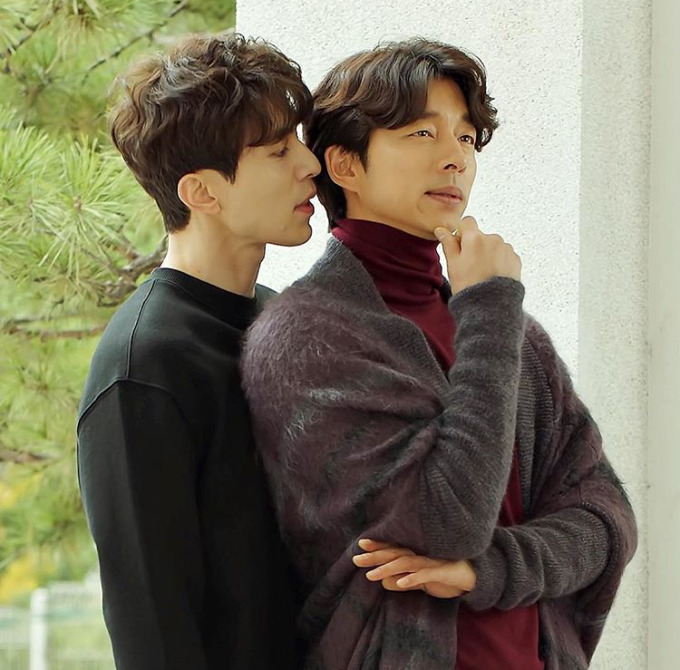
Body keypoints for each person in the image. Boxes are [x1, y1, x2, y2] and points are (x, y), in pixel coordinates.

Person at [240, 38, 637, 669]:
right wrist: (489, 309)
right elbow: (446, 522)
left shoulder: (512, 336)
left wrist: (489, 570)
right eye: (422, 133)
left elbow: (607, 516)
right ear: (344, 165)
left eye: (467, 138)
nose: (455, 158)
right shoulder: (303, 338)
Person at [76, 32, 320, 670]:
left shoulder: (284, 319)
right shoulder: (144, 366)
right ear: (202, 193)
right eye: (278, 150)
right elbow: (152, 630)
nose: (310, 164)